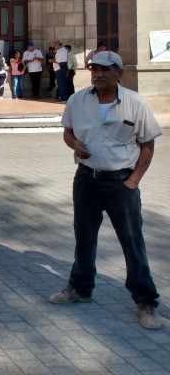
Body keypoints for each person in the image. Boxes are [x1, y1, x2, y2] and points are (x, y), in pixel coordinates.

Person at [49, 51, 163, 331]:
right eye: (94, 69)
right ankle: (80, 288)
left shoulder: (135, 103)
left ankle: (145, 300)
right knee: (84, 237)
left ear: (119, 73)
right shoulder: (78, 100)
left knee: (132, 241)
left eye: (105, 69)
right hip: (87, 180)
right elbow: (68, 132)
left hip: (121, 183)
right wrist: (75, 145)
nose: (98, 74)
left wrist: (134, 180)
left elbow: (147, 145)